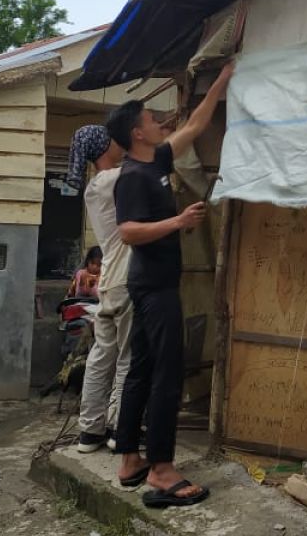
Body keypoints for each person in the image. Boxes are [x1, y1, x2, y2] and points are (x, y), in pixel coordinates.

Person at [108, 63, 233, 507]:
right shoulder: (132, 178)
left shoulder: (158, 159)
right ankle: (161, 471)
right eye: (150, 120)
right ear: (136, 134)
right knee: (167, 373)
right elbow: (127, 232)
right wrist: (178, 221)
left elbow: (197, 123)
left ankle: (129, 459)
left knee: (142, 369)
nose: (160, 123)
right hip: (153, 287)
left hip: (152, 285)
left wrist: (221, 80)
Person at [65, 125, 130, 453]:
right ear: (105, 147)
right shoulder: (113, 179)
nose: (122, 147)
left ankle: (89, 431)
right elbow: (149, 163)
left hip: (108, 281)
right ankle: (119, 427)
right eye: (117, 142)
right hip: (124, 278)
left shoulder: (94, 186)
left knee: (102, 354)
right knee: (127, 356)